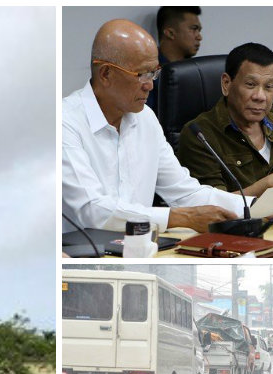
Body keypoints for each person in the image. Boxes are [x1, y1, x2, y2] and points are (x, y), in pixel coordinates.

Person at [62, 19, 243, 234]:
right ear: (106, 74)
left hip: (142, 247)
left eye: (154, 73)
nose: (150, 85)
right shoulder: (64, 122)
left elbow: (185, 193)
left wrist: (255, 207)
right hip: (82, 252)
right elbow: (92, 210)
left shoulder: (145, 117)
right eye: (142, 75)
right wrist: (181, 217)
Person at [177, 43, 273, 205]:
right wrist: (267, 185)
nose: (260, 96)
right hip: (239, 228)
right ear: (226, 84)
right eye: (250, 85)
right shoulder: (200, 134)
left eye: (269, 87)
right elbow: (210, 206)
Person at [146, 6, 203, 111]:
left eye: (199, 30)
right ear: (170, 33)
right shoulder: (148, 73)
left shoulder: (198, 73)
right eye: (194, 29)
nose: (199, 37)